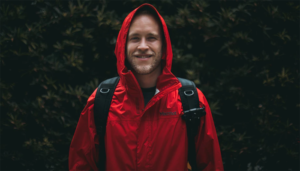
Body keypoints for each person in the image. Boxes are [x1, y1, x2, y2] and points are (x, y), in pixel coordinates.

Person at [69, 3, 224, 171]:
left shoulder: (191, 100)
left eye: (151, 37)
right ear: (123, 45)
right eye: (135, 38)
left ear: (163, 45)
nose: (143, 46)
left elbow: (211, 166)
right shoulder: (101, 100)